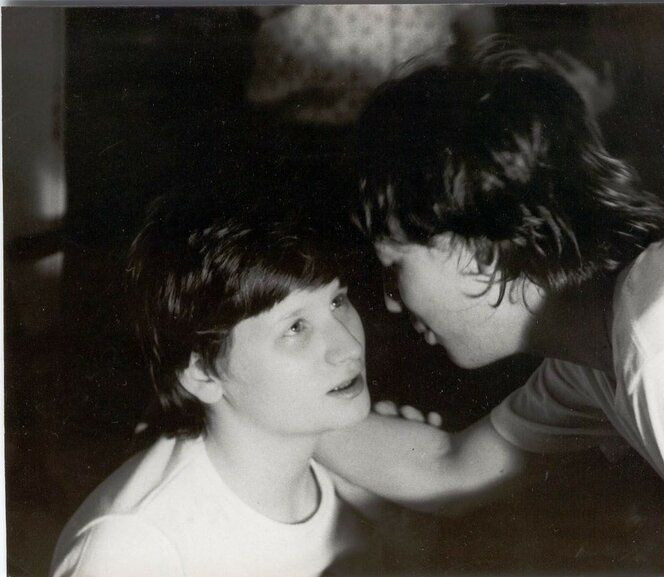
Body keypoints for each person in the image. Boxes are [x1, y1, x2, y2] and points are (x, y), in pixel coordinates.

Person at [316, 44, 664, 575]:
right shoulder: (599, 350)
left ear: (479, 255)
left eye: (395, 266)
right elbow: (448, 467)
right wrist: (265, 400)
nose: (390, 299)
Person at [50, 185, 401, 577]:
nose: (348, 345)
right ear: (202, 372)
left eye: (337, 301)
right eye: (295, 327)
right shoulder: (136, 551)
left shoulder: (360, 486)